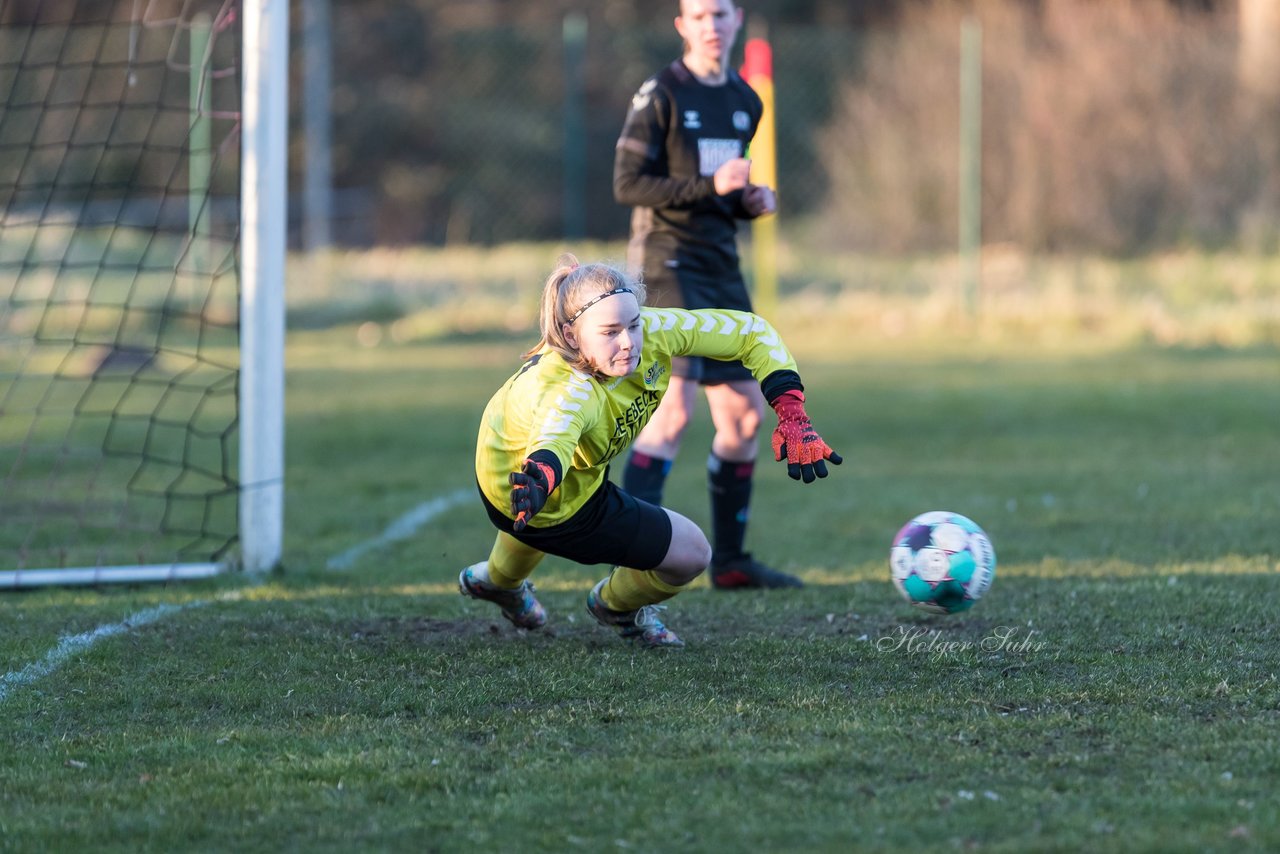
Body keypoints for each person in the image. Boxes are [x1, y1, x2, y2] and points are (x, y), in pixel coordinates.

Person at [459, 255, 841, 648]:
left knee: (542, 511)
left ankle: (496, 582)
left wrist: (790, 408)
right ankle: (615, 606)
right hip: (531, 487)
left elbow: (750, 332)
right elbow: (554, 436)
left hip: (520, 464)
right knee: (692, 553)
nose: (628, 342)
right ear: (572, 336)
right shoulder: (571, 391)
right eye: (610, 332)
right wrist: (543, 474)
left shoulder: (654, 331)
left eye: (633, 324)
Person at [613, 0, 791, 590]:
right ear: (682, 26)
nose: (712, 25)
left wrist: (747, 201)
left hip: (719, 263)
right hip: (666, 259)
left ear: (737, 19)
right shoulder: (660, 93)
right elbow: (628, 183)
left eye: (721, 14)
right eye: (700, 15)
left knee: (744, 416)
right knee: (673, 410)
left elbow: (725, 187)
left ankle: (733, 563)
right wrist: (709, 184)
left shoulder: (746, 100)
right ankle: (632, 560)